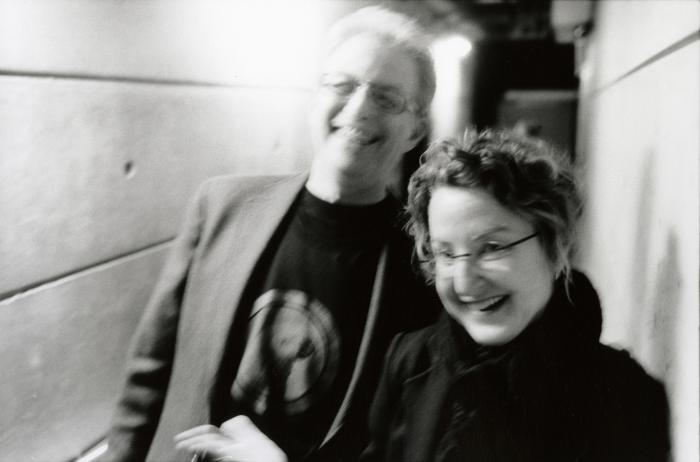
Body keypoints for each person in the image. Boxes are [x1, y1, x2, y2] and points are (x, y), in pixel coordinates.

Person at [102, 6, 440, 462]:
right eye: (341, 85)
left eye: (386, 98)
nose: (358, 109)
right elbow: (148, 376)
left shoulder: (423, 263)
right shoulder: (222, 207)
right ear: (313, 97)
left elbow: (404, 441)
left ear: (416, 127)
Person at [362, 129, 670, 461]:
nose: (464, 282)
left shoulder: (627, 394)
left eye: (492, 247)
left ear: (555, 244)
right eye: (446, 254)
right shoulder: (408, 362)